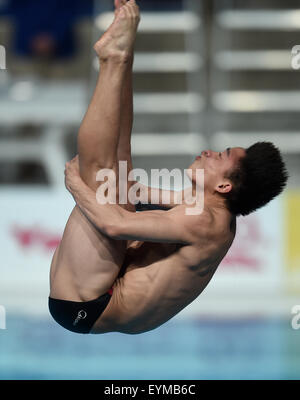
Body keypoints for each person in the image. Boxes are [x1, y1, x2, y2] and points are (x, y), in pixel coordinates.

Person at [49, 0, 288, 335]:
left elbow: (115, 225)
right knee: (117, 170)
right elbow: (136, 190)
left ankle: (113, 60)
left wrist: (74, 182)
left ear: (224, 186)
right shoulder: (215, 213)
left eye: (220, 156)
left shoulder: (205, 223)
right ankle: (122, 57)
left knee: (100, 177)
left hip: (86, 304)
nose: (208, 152)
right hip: (107, 283)